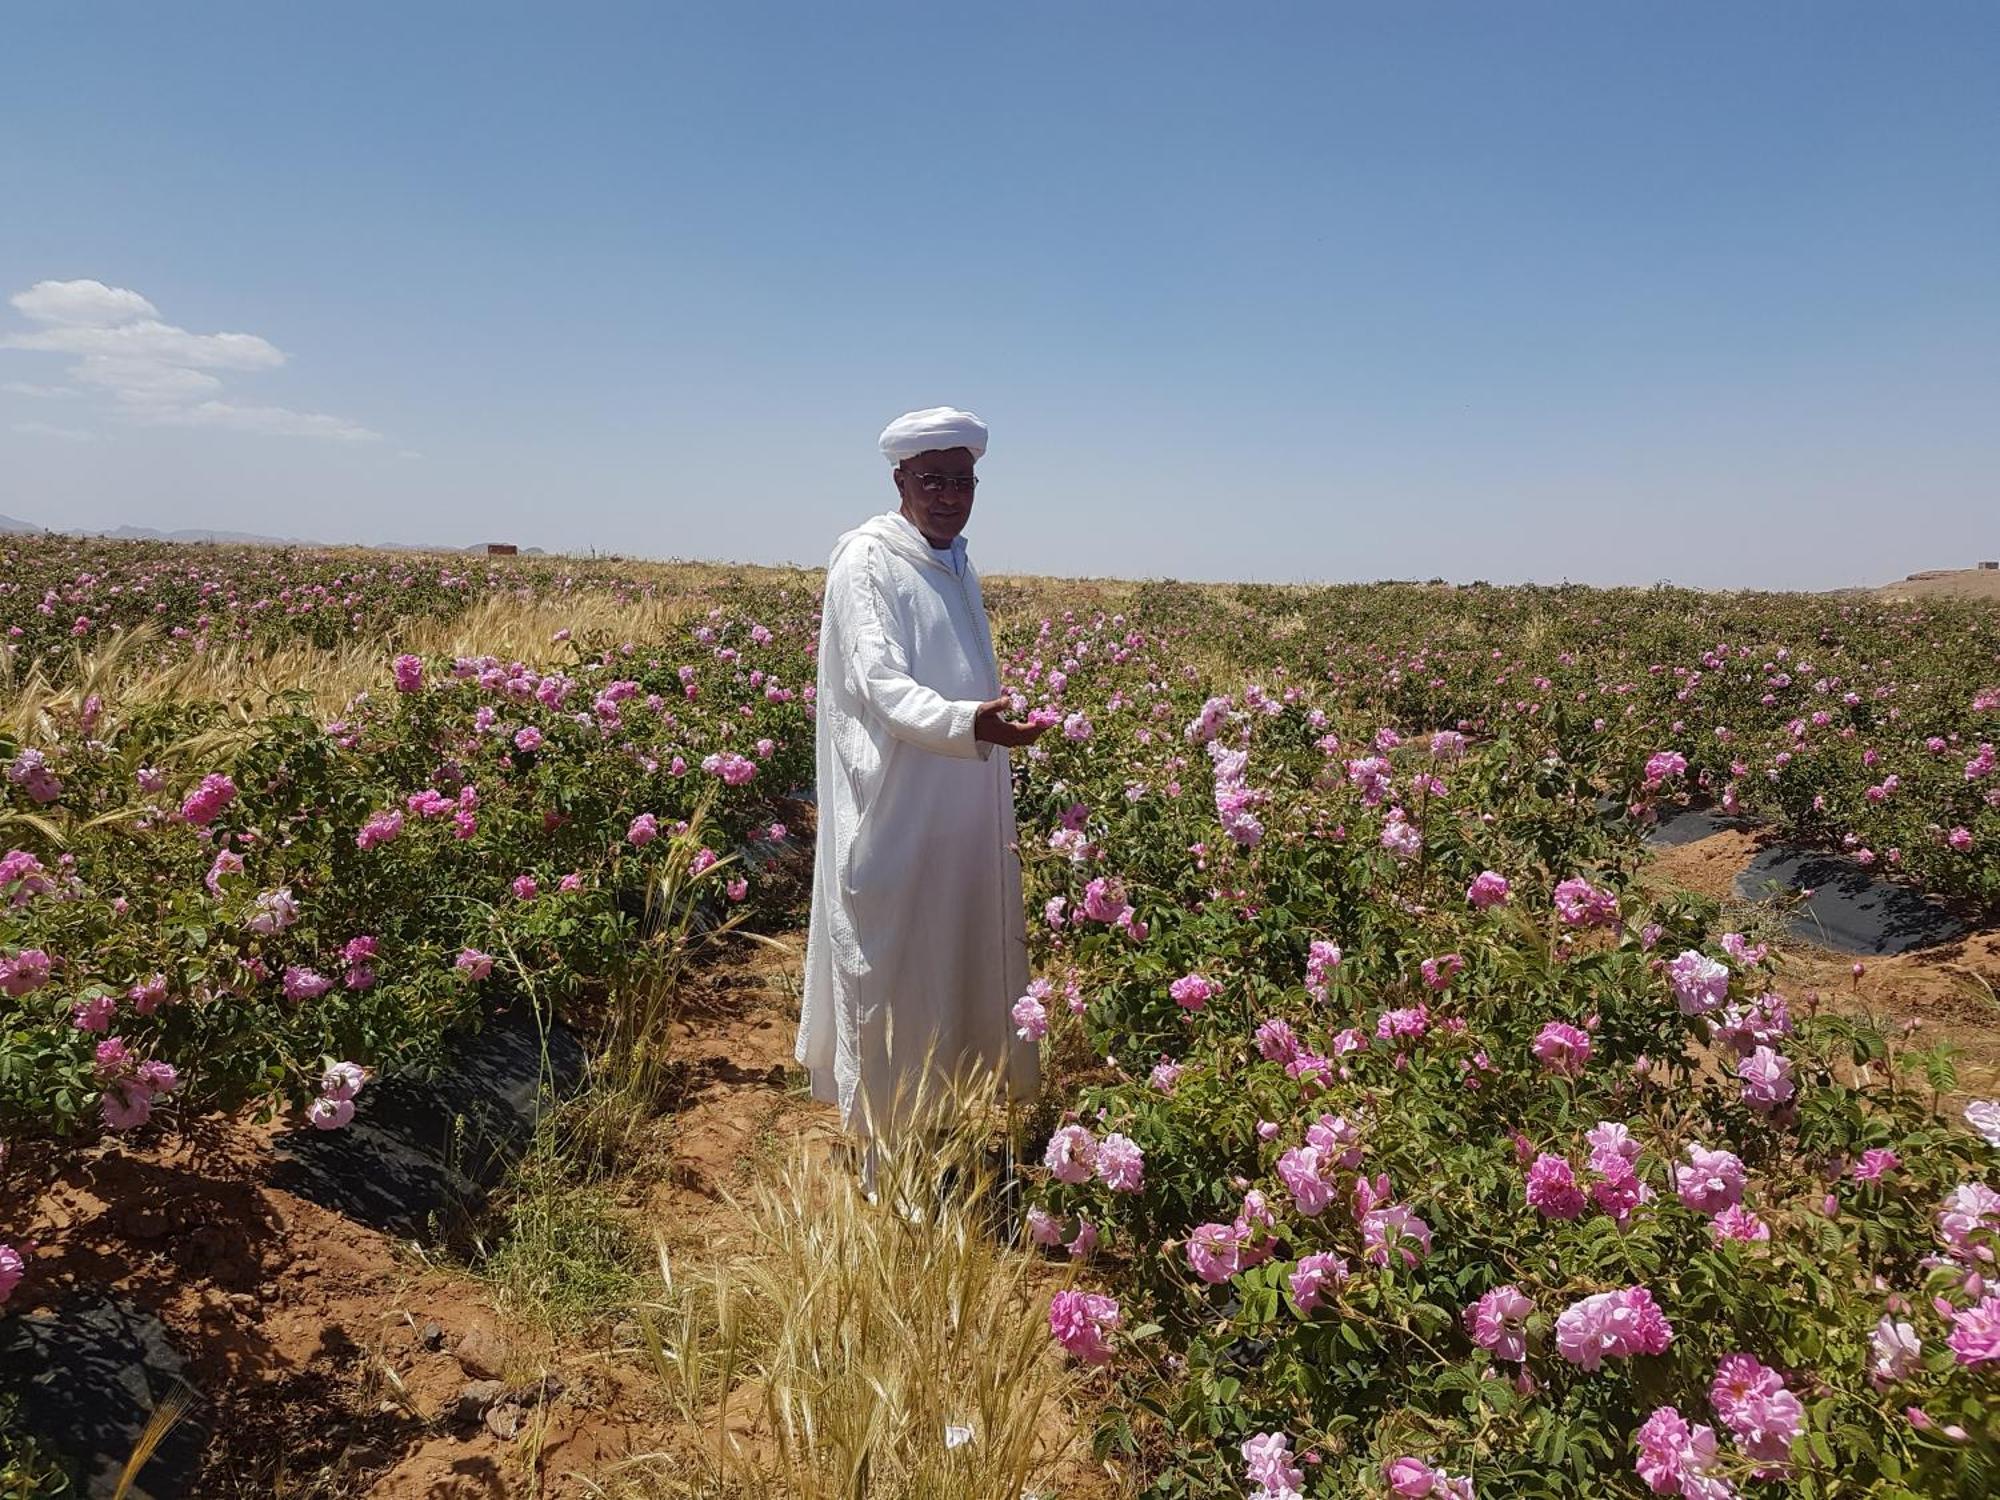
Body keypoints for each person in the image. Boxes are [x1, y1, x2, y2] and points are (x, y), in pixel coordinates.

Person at [796, 406, 1048, 1193]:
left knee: (954, 958)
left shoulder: (953, 562)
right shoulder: (869, 562)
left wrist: (981, 725)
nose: (949, 495)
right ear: (899, 480)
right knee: (893, 969)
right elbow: (879, 682)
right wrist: (966, 721)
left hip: (962, 805)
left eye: (962, 480)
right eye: (932, 479)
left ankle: (935, 1128)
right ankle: (881, 1163)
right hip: (899, 806)